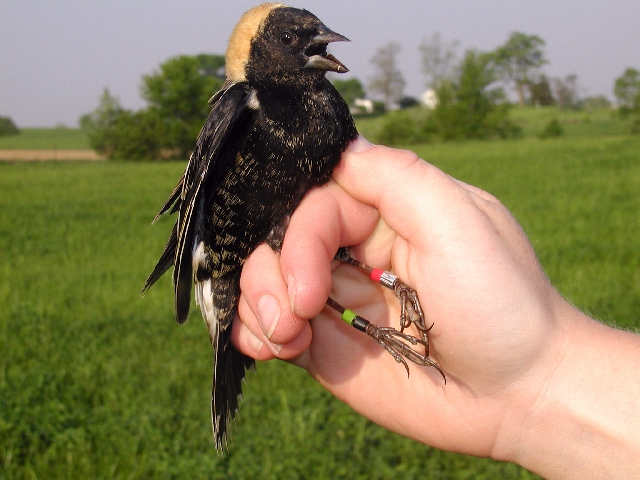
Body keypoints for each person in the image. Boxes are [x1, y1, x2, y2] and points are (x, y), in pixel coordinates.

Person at [231, 137, 640, 479]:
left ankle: (378, 298)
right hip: (303, 253)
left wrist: (535, 381)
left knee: (322, 269)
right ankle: (372, 316)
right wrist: (535, 386)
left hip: (345, 258)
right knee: (311, 277)